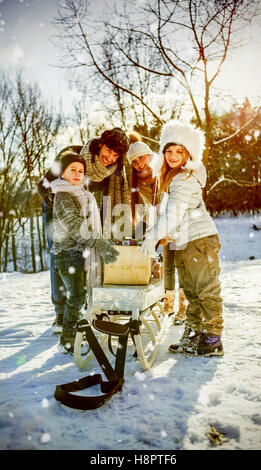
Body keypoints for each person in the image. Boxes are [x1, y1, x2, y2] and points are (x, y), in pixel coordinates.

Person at [141, 120, 224, 357]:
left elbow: (174, 215)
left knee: (206, 289)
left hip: (200, 240)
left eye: (179, 151)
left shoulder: (185, 178)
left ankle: (212, 338)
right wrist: (164, 236)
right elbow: (176, 218)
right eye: (169, 151)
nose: (173, 155)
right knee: (191, 291)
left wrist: (152, 236)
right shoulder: (173, 178)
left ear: (188, 153)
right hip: (186, 242)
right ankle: (193, 335)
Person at [37, 128, 130, 333]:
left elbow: (109, 202)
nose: (110, 158)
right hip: (56, 205)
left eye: (116, 155)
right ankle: (61, 313)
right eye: (108, 151)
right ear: (99, 146)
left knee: (86, 257)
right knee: (60, 256)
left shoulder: (112, 172)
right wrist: (56, 201)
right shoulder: (73, 156)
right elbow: (43, 184)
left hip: (85, 211)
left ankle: (85, 304)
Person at [49, 151, 119, 353]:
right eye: (73, 169)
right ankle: (68, 339)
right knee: (77, 297)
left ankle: (79, 331)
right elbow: (75, 226)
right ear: (62, 173)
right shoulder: (63, 195)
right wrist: (100, 244)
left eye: (81, 170)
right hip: (68, 254)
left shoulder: (82, 193)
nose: (78, 173)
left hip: (79, 253)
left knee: (81, 294)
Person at [126, 133, 187, 321]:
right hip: (163, 227)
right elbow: (148, 211)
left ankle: (184, 307)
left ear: (150, 156)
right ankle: (168, 305)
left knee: (182, 266)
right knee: (168, 266)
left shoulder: (165, 171)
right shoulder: (138, 185)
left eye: (142, 158)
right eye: (134, 161)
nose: (139, 163)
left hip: (181, 224)